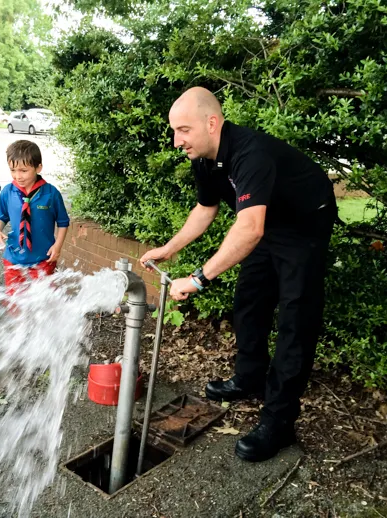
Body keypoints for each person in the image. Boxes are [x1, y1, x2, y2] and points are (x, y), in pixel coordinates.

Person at [140, 87, 336, 462]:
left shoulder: (251, 153)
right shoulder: (204, 158)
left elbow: (249, 229)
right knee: (249, 300)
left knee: (296, 320)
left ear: (212, 123)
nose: (176, 141)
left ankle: (279, 421)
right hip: (265, 221)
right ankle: (249, 378)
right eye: (174, 131)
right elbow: (205, 209)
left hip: (303, 223)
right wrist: (170, 248)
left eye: (183, 130)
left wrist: (198, 279)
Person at [0, 140, 69, 296]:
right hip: (13, 257)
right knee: (16, 302)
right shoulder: (8, 192)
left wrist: (58, 246)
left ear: (38, 167)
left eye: (23, 170)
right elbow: (2, 215)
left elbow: (63, 222)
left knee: (43, 301)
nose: (17, 176)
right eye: (13, 170)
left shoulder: (51, 194)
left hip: (43, 259)